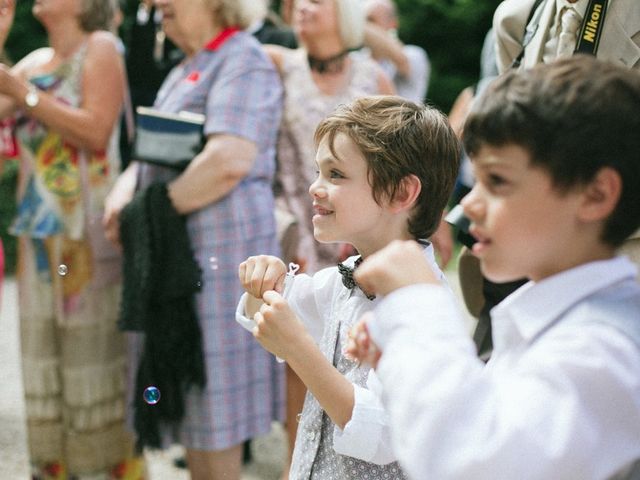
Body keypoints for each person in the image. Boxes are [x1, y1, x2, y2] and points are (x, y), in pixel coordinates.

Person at [347, 56, 640, 479]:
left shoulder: (606, 349)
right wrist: (400, 356)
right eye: (476, 181)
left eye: (497, 181)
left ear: (594, 195)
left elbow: (471, 461)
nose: (468, 206)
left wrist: (418, 304)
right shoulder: (560, 317)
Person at [103, 0, 285, 478]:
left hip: (219, 257)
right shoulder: (187, 66)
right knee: (193, 410)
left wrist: (144, 215)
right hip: (181, 262)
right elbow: (150, 152)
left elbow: (229, 159)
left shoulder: (243, 58)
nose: (156, 3)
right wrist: (123, 196)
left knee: (215, 410)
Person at [237, 95, 460, 479]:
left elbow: (382, 432)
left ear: (400, 193)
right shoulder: (343, 279)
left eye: (335, 174)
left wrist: (298, 349)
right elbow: (272, 317)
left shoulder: (423, 309)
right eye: (318, 172)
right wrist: (264, 281)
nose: (315, 187)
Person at [0, 0, 146, 478]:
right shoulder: (32, 63)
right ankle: (55, 467)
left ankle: (104, 467)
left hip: (87, 234)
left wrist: (24, 94)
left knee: (93, 353)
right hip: (38, 239)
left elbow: (96, 131)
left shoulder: (100, 47)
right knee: (43, 351)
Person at [363, 0, 430, 103]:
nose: (367, 26)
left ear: (393, 24)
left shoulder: (414, 54)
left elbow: (401, 60)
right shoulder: (357, 58)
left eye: (371, 20)